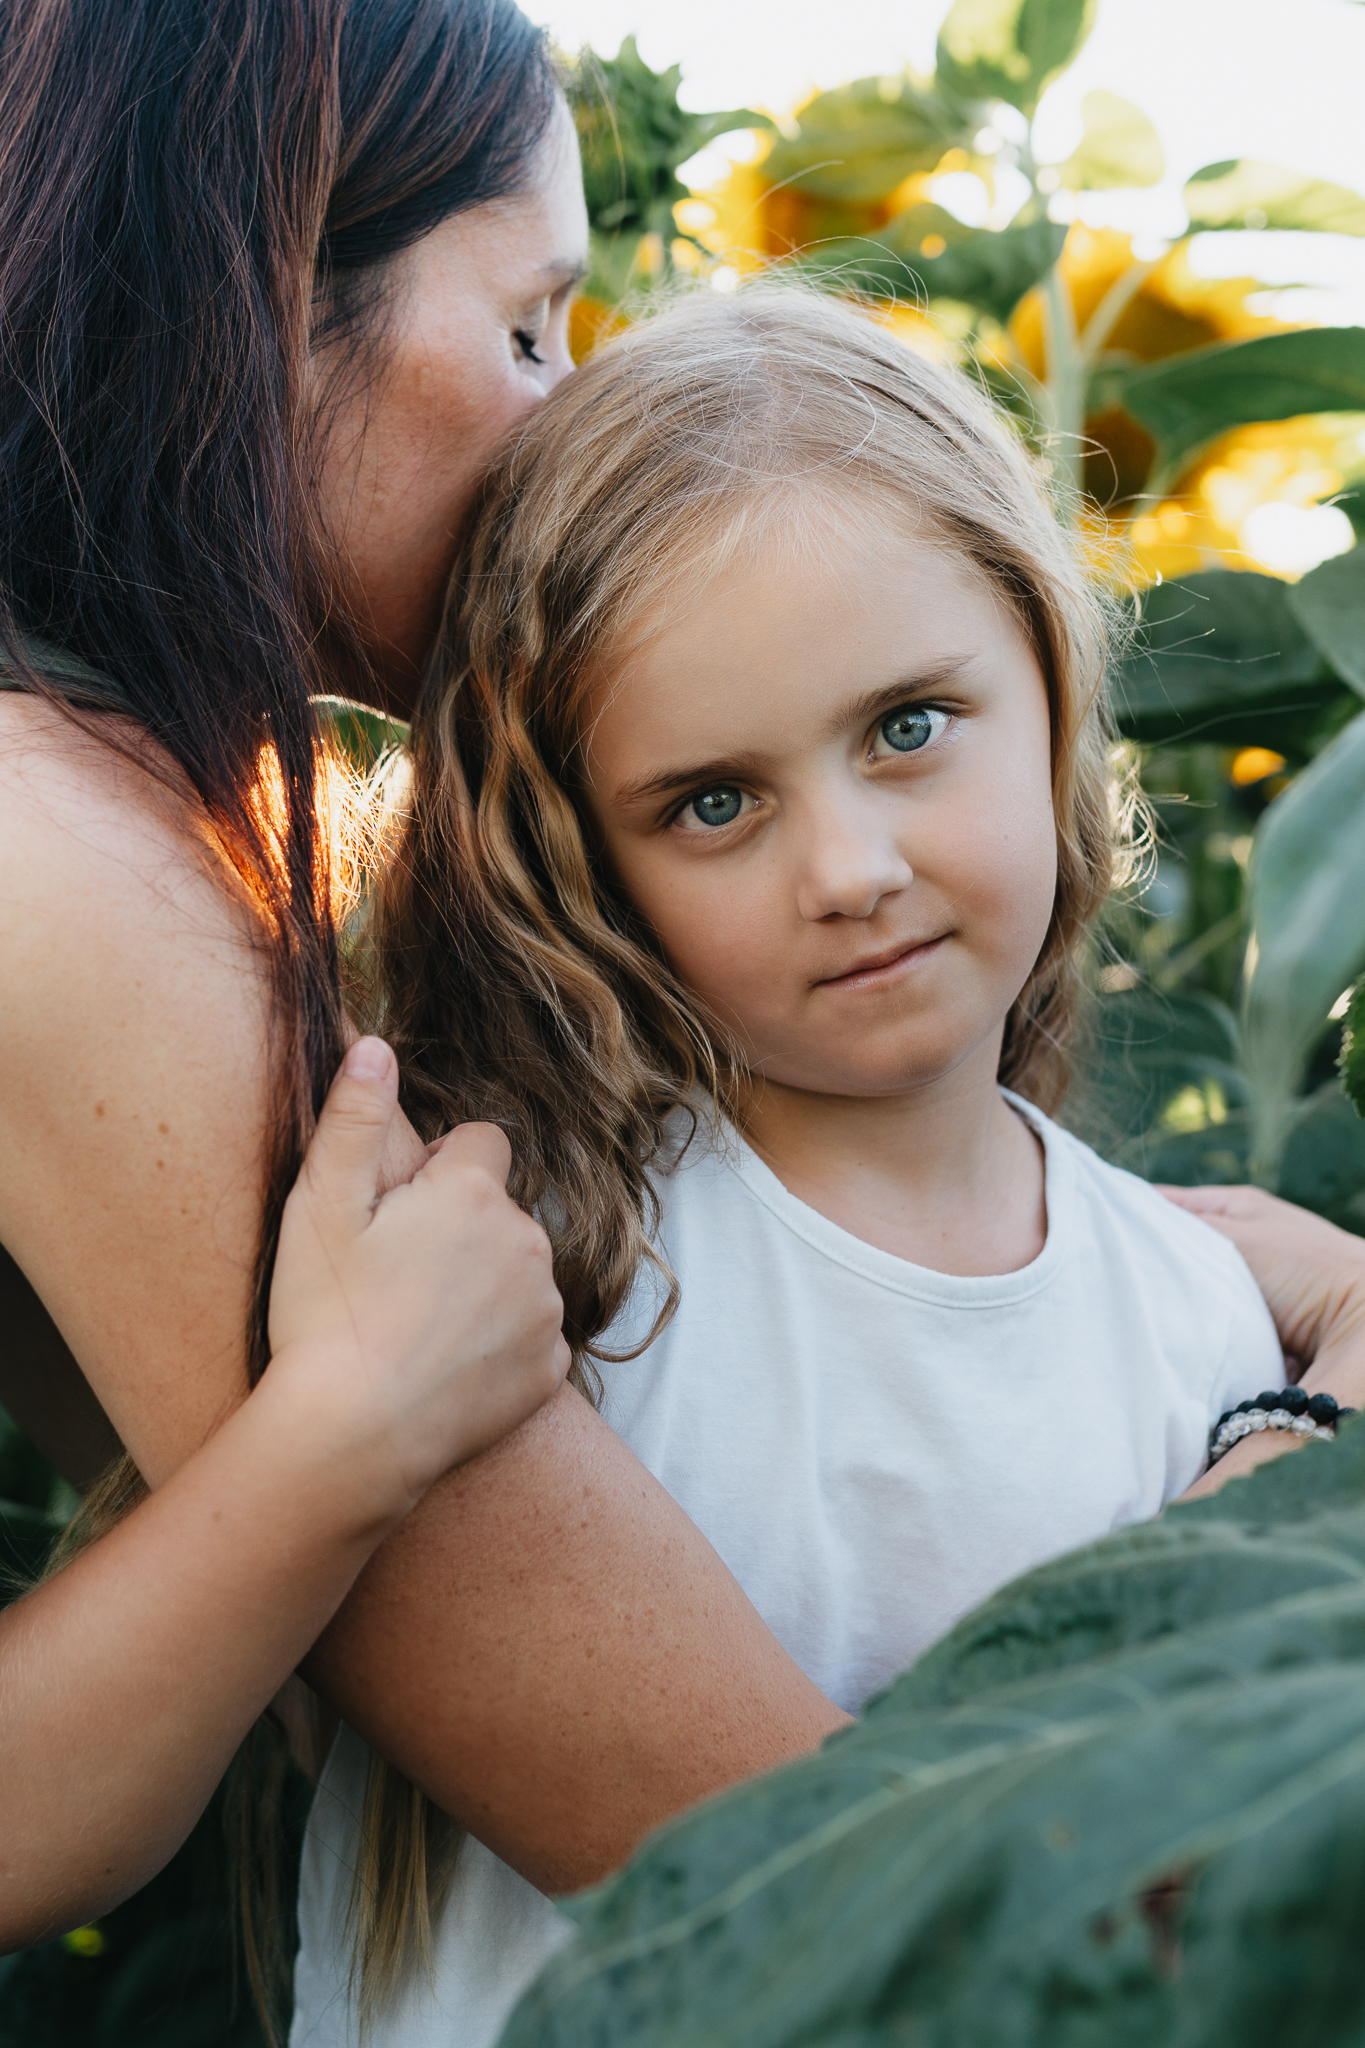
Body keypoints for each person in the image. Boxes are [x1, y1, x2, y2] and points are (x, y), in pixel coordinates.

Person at [287, 284, 1365, 2048]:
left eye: (908, 725)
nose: (850, 869)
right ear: (580, 859)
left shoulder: (1194, 1304)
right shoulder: (536, 1278)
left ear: (1049, 677)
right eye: (712, 801)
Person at [0, 0, 841, 1970]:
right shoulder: (59, 865)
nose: (575, 414)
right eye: (532, 326)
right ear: (260, 308)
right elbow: (789, 1872)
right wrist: (1282, 1425)